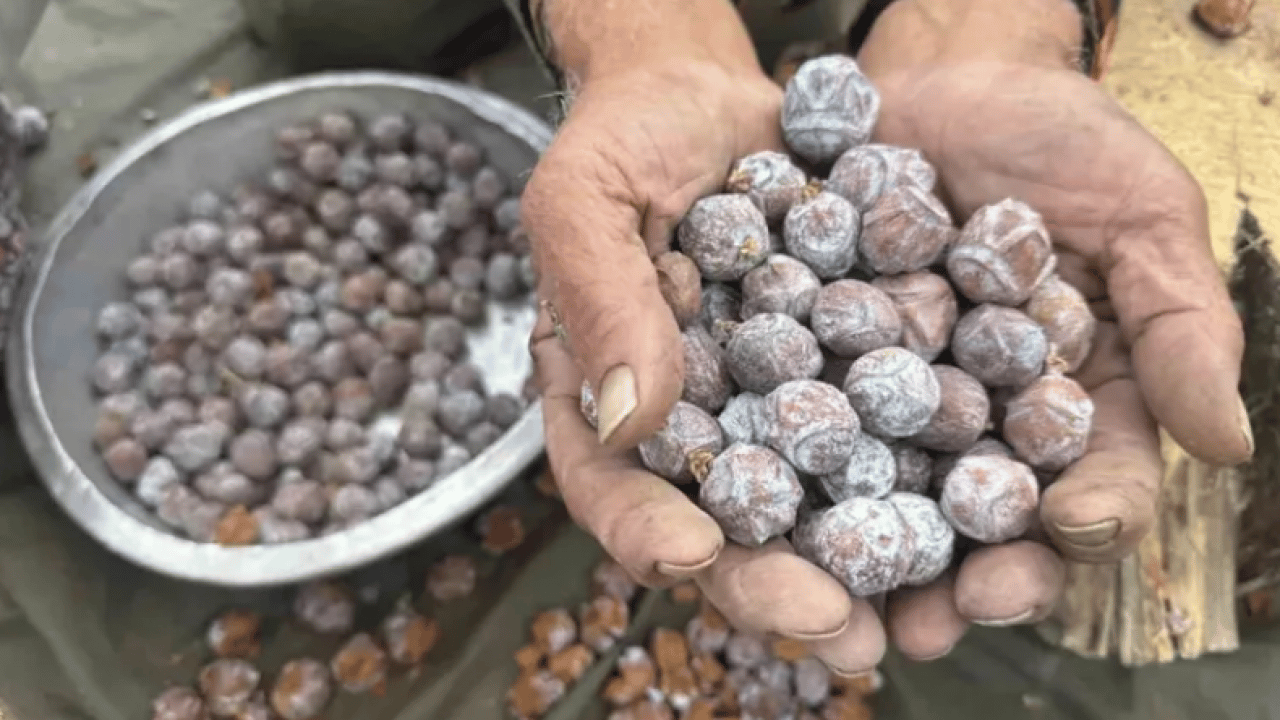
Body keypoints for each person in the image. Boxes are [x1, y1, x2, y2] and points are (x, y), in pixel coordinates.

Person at [510, 0, 1255, 677]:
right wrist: (636, 37)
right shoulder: (767, 325)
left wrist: (990, 23)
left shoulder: (927, 313)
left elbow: (933, 392)